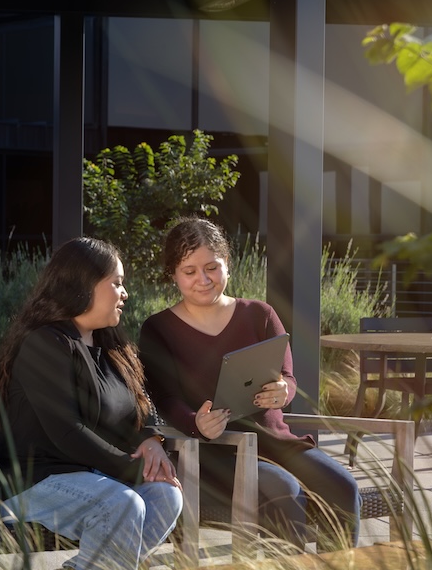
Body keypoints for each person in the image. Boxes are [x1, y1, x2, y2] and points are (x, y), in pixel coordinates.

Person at [139, 216, 360, 551]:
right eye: (190, 271)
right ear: (173, 275)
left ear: (227, 264)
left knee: (345, 487)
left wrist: (283, 390)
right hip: (212, 453)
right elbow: (166, 399)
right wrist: (194, 422)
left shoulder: (260, 314)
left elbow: (286, 377)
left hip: (275, 444)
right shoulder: (158, 329)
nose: (203, 279)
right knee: (284, 489)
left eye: (212, 267)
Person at [0, 237, 183, 570]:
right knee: (122, 504)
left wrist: (150, 439)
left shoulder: (109, 342)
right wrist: (131, 469)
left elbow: (139, 405)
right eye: (116, 283)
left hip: (90, 474)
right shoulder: (45, 343)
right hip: (30, 480)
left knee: (166, 496)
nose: (124, 293)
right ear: (83, 284)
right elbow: (66, 431)